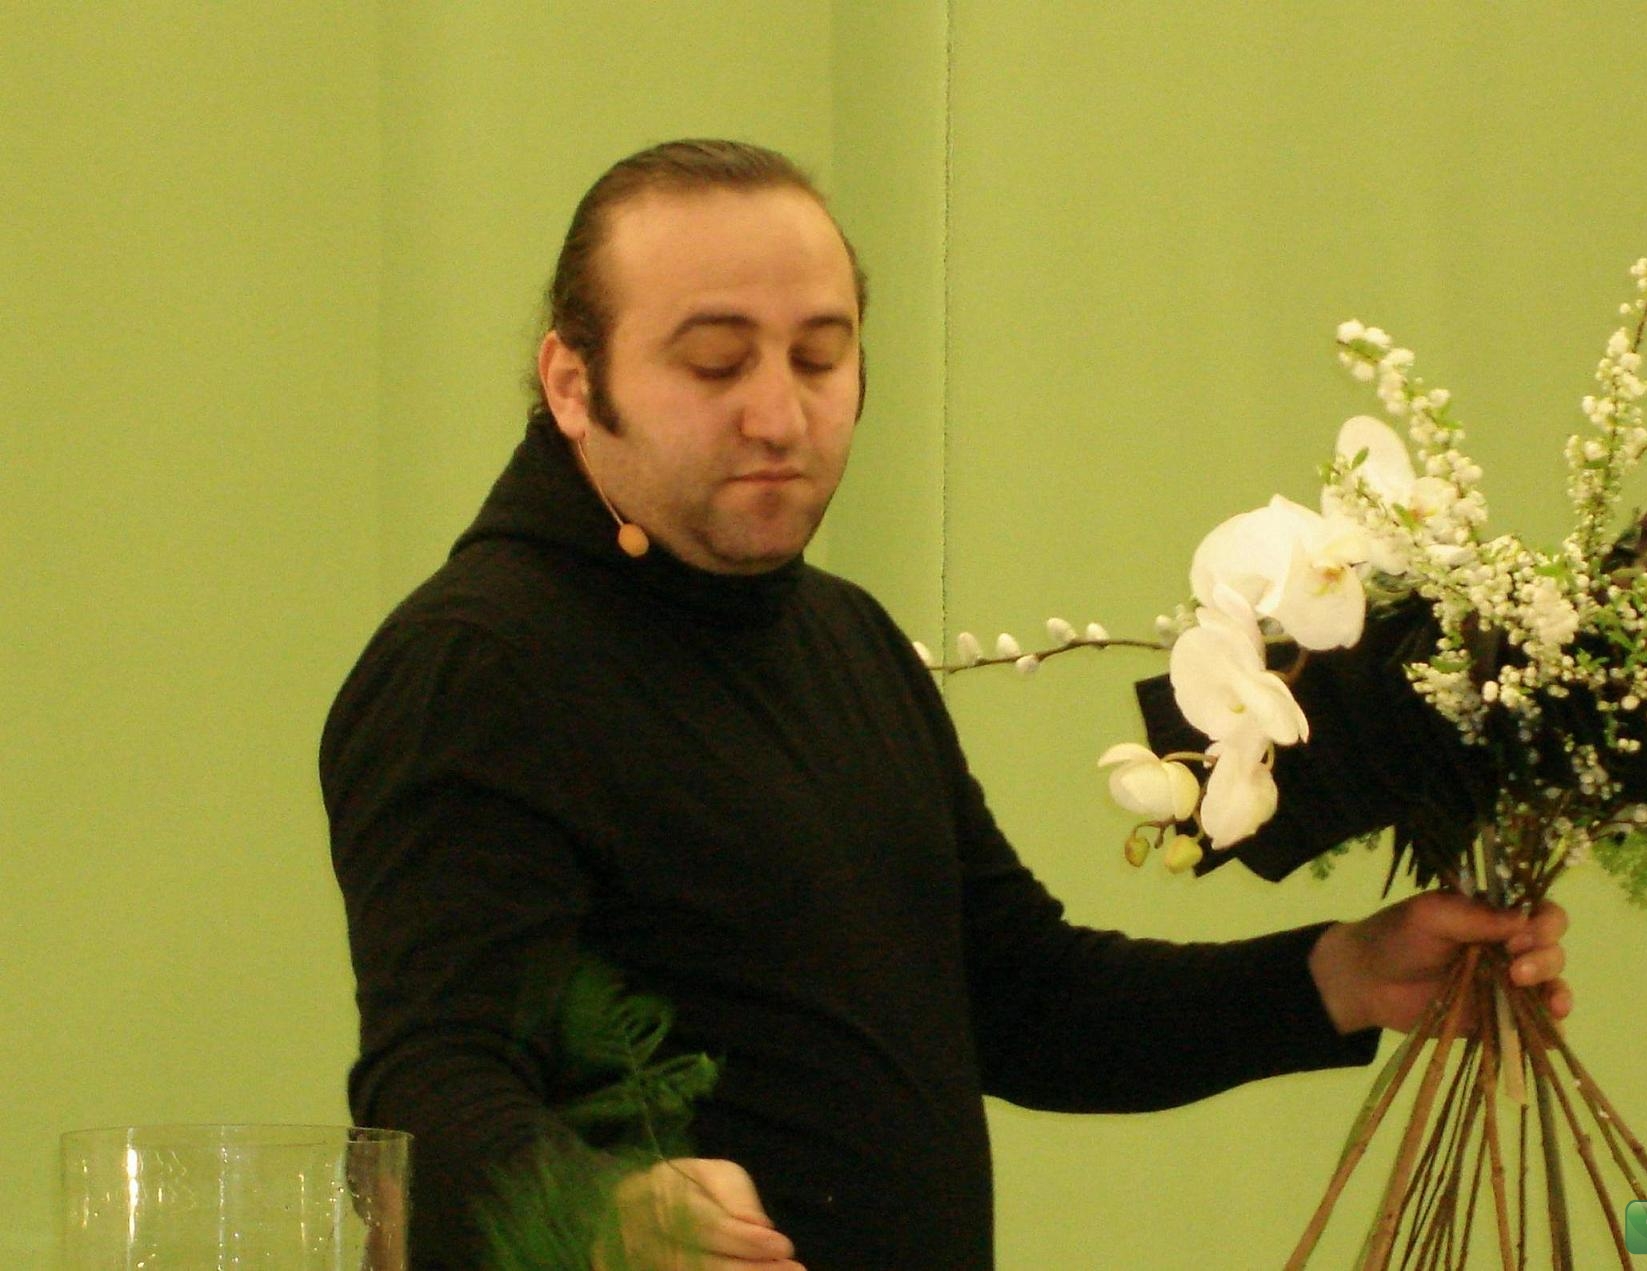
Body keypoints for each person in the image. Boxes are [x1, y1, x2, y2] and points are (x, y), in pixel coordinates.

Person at [320, 139, 1570, 1271]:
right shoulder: (475, 663)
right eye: (714, 361)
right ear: (572, 381)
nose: (779, 411)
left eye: (821, 355)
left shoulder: (844, 635)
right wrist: (604, 1219)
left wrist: (1344, 973)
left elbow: (1020, 999)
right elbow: (426, 1091)